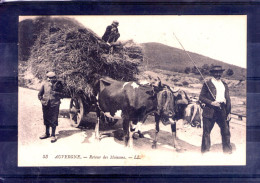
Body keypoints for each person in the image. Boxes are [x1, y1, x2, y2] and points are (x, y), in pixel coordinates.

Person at [199, 65, 232, 154]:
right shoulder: (207, 84)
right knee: (207, 132)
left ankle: (227, 151)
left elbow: (228, 99)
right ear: (212, 73)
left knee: (226, 131)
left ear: (221, 73)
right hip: (210, 110)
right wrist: (211, 103)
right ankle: (205, 152)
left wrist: (229, 112)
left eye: (219, 72)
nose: (218, 74)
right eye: (216, 72)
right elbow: (201, 97)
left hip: (222, 110)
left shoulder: (224, 84)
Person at [38, 71, 63, 143]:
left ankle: (53, 135)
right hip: (45, 104)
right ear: (47, 78)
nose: (50, 79)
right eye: (49, 78)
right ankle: (47, 133)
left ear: (55, 77)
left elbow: (63, 94)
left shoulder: (59, 84)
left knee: (54, 119)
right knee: (46, 118)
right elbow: (40, 94)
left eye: (52, 78)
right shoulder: (44, 84)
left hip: (55, 104)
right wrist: (42, 100)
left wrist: (56, 93)